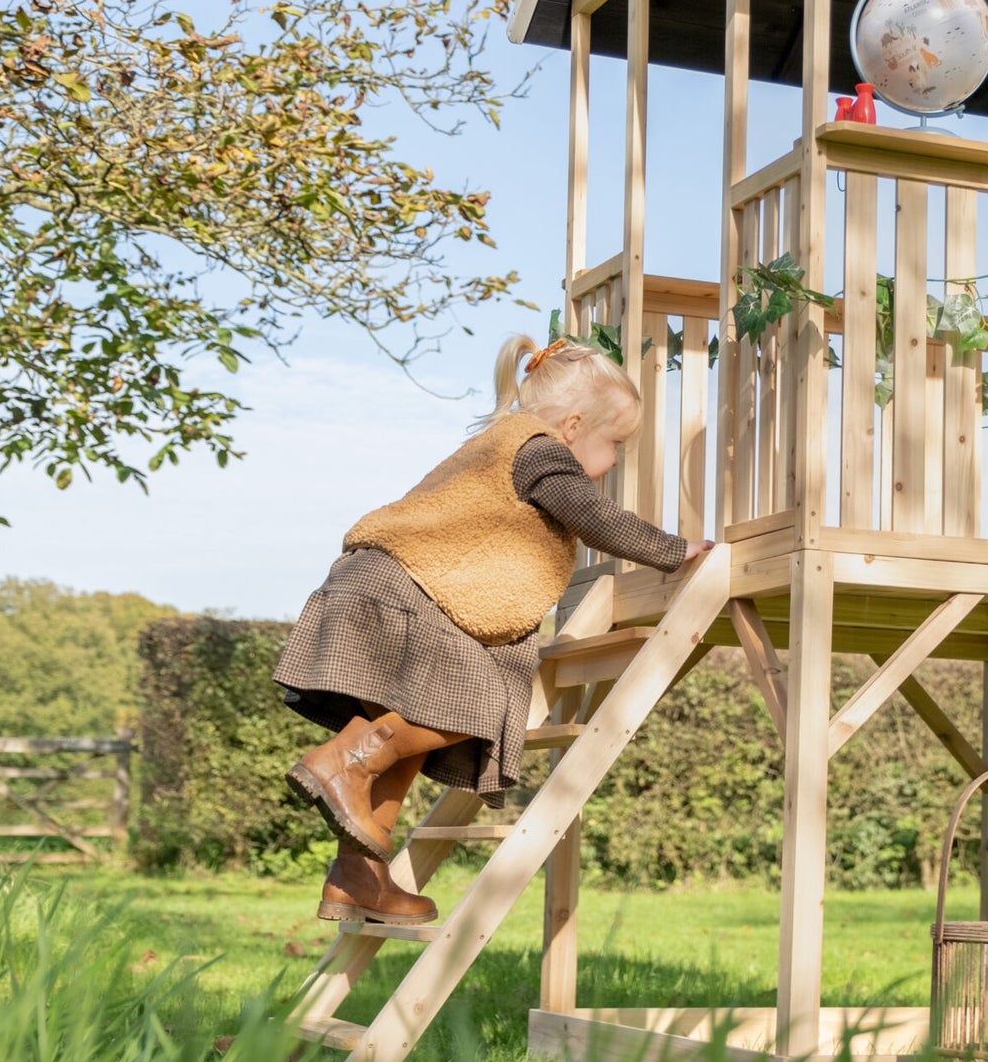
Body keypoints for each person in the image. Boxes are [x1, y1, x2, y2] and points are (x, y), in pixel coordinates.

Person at [275, 333, 711, 928]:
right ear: (574, 425)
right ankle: (342, 763)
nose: (612, 464)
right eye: (615, 445)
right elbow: (593, 516)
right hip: (410, 590)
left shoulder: (495, 448)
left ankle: (358, 877)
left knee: (401, 743)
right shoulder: (538, 451)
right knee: (477, 699)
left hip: (377, 584)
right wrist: (673, 549)